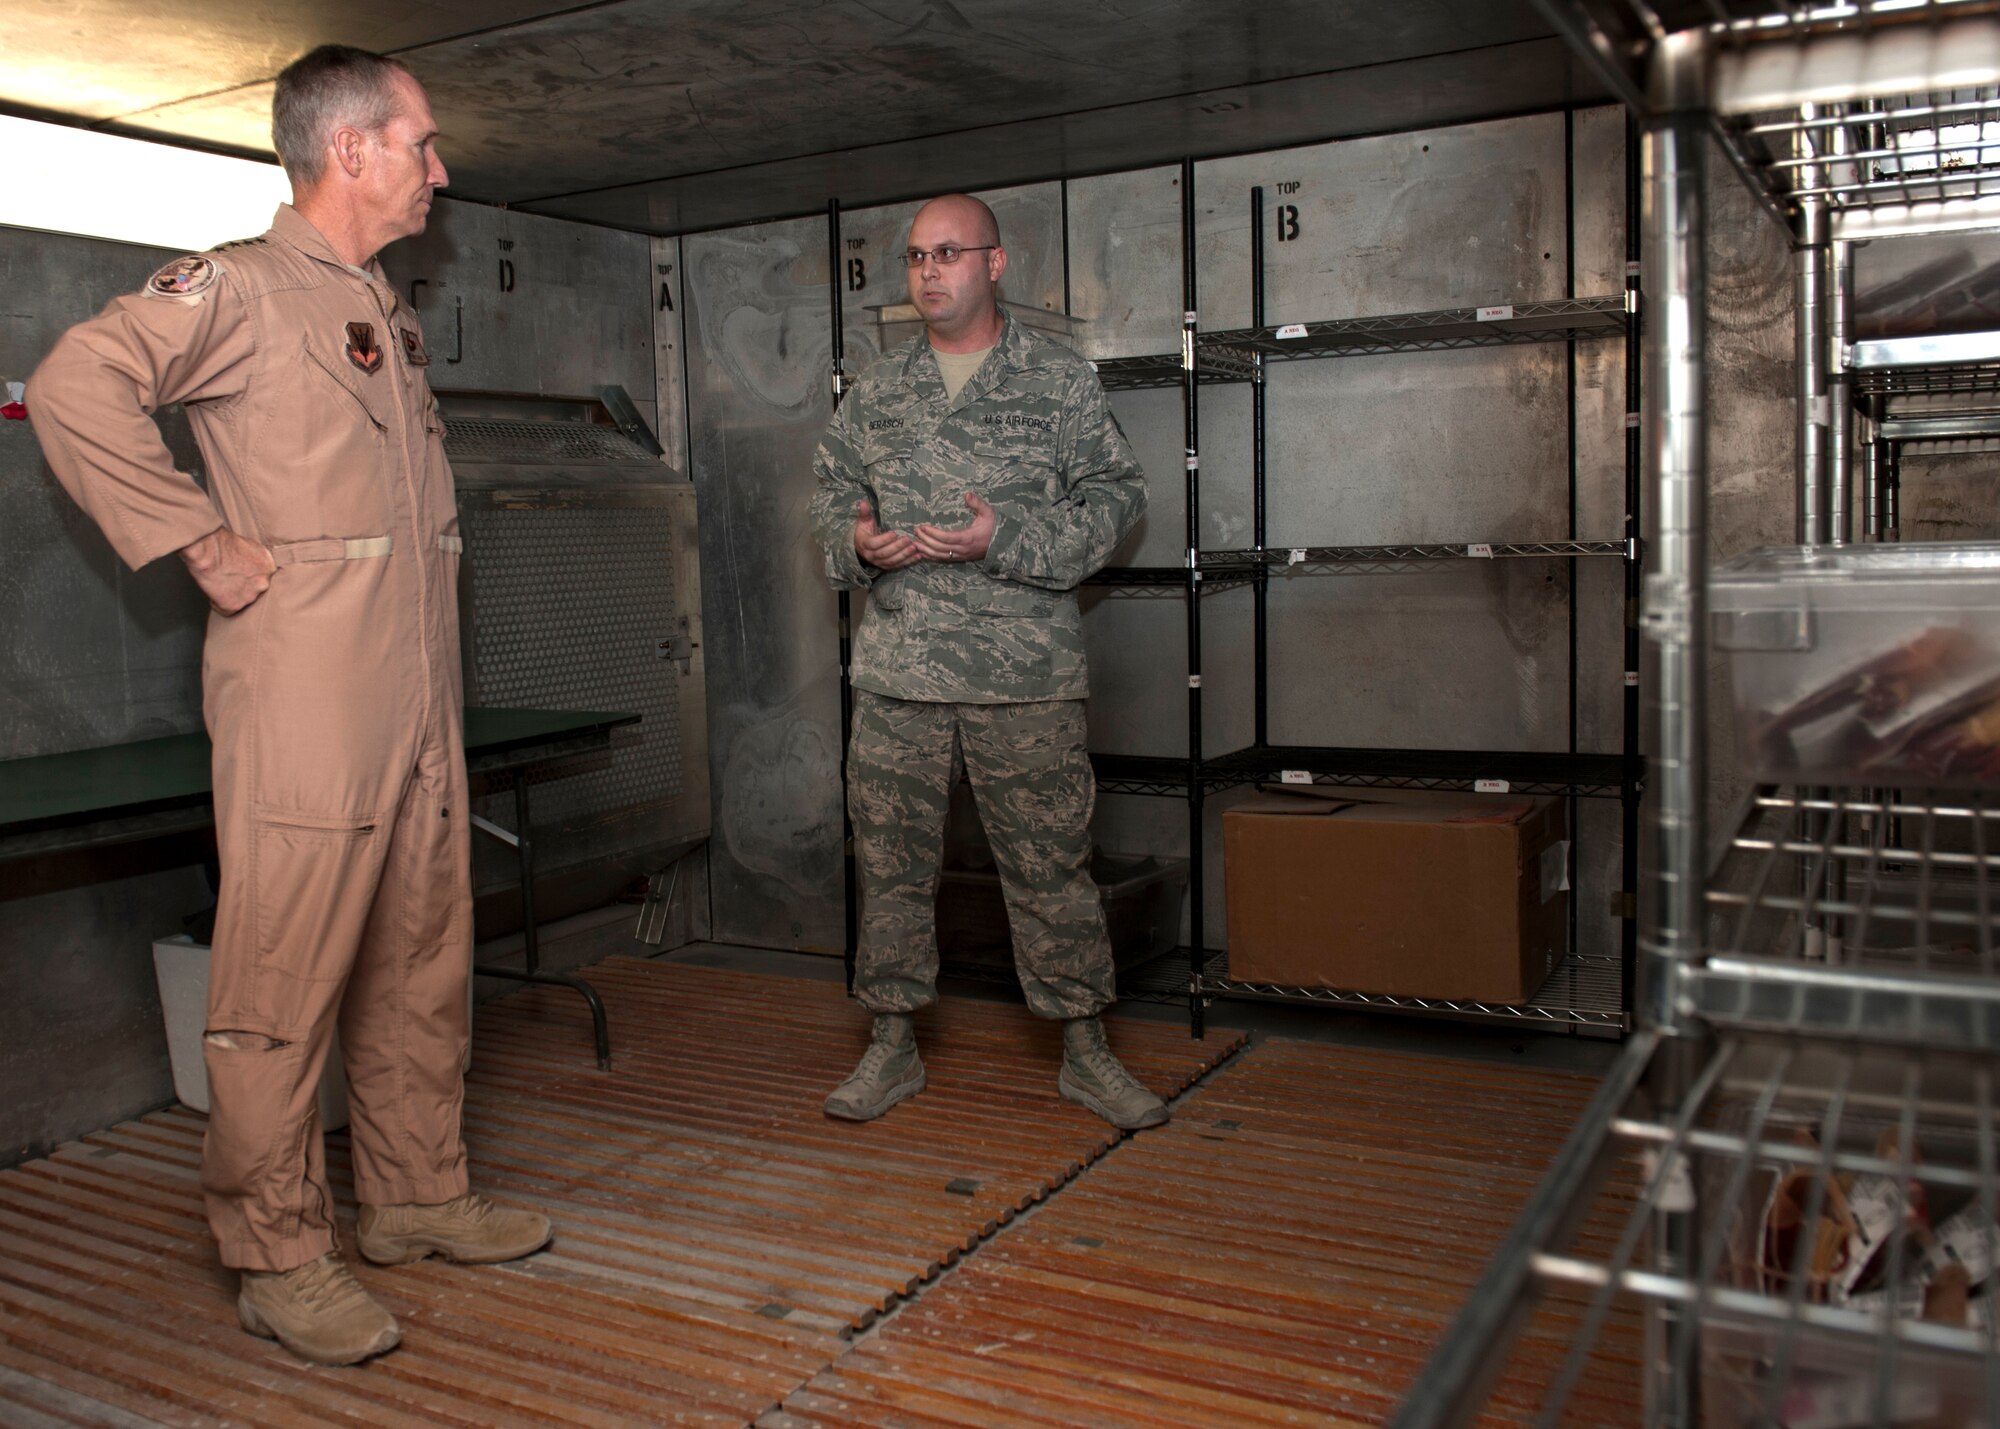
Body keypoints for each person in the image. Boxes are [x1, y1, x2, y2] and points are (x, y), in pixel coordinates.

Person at [28, 45, 550, 1367]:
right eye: (422, 142)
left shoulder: (379, 303)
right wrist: (197, 538)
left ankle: (416, 1194)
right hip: (307, 693)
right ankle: (274, 1251)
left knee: (420, 952)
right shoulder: (240, 289)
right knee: (280, 977)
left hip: (418, 689)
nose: (441, 167)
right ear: (353, 149)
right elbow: (77, 382)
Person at [808, 194, 1166, 1132]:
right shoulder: (878, 392)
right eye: (918, 257)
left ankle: (1086, 1050)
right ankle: (890, 1044)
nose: (930, 272)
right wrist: (855, 543)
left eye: (951, 253)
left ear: (996, 265)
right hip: (900, 676)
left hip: (1024, 678)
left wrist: (1004, 536)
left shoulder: (1056, 381)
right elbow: (829, 493)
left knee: (1052, 868)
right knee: (888, 867)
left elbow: (1117, 500)